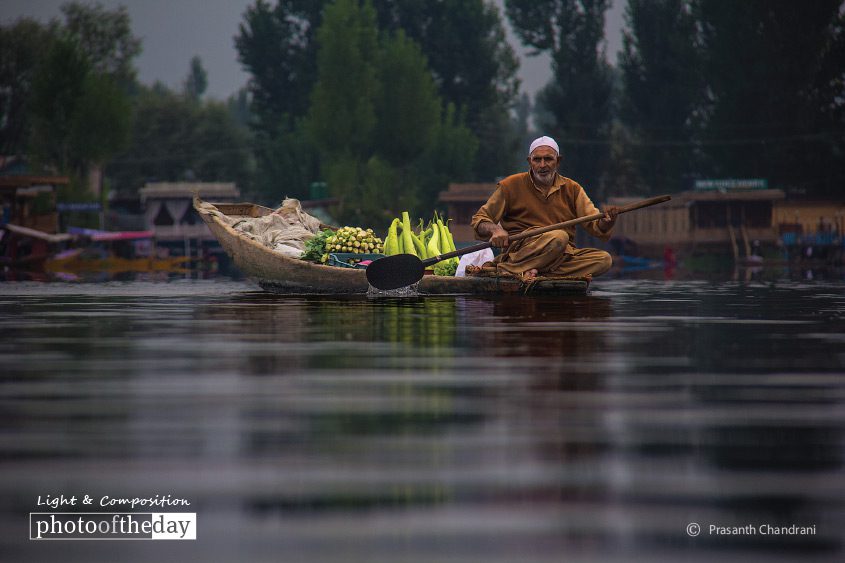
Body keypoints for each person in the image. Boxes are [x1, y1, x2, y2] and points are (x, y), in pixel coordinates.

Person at [470, 135, 619, 279]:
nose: (542, 165)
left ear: (558, 161)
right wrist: (496, 230)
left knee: (604, 260)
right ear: (530, 161)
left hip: (562, 256)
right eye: (537, 160)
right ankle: (512, 268)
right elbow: (480, 220)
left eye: (548, 159)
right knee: (559, 236)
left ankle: (524, 271)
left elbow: (595, 225)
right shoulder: (509, 186)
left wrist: (607, 221)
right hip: (522, 252)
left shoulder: (573, 189)